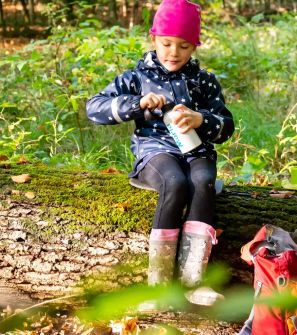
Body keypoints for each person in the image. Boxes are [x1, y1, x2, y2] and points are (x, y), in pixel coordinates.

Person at [86, 0, 234, 308]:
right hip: (155, 152)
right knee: (175, 182)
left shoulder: (203, 80)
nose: (173, 52)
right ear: (154, 39)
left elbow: (226, 125)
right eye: (166, 43)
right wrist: (136, 103)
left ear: (194, 47)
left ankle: (194, 281)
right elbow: (95, 108)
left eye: (184, 46)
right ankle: (159, 287)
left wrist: (201, 119)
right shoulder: (136, 77)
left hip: (196, 151)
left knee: (203, 180)